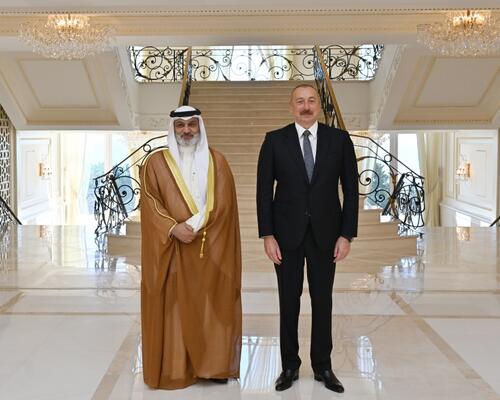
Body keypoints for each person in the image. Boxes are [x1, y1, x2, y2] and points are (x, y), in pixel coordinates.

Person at [256, 84, 358, 393]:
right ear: (291, 107)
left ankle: (323, 366)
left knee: (323, 301)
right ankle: (289, 366)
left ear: (318, 106)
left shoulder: (339, 140)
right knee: (288, 301)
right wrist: (267, 234)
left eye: (312, 100)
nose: (306, 106)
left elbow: (351, 190)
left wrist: (346, 234)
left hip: (327, 235)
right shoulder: (274, 141)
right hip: (286, 235)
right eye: (300, 101)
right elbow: (263, 192)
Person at [139, 105, 242, 390]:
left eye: (192, 124)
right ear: (173, 128)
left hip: (209, 244)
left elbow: (223, 202)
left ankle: (213, 365)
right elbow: (150, 202)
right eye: (180, 125)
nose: (186, 130)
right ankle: (176, 366)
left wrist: (193, 226)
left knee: (211, 306)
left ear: (200, 127)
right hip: (172, 246)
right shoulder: (156, 163)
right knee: (174, 307)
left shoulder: (217, 161)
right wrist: (173, 228)